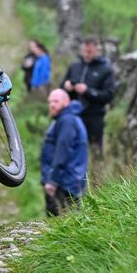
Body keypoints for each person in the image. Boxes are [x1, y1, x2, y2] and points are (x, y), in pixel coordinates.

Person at [61, 37, 117, 172]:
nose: (87, 54)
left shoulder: (106, 70)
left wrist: (88, 91)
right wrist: (66, 87)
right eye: (85, 51)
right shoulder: (75, 66)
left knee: (95, 150)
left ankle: (97, 181)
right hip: (73, 115)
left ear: (97, 50)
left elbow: (109, 95)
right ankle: (70, 179)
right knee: (70, 148)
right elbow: (62, 88)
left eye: (90, 52)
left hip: (94, 117)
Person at [41, 88, 87, 216]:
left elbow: (63, 152)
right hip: (68, 181)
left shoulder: (67, 121)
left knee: (58, 223)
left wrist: (52, 181)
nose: (52, 105)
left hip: (64, 184)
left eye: (56, 101)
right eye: (50, 102)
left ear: (66, 102)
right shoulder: (68, 119)